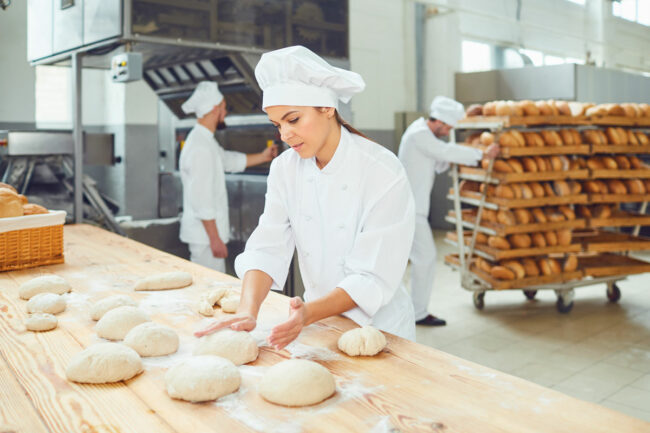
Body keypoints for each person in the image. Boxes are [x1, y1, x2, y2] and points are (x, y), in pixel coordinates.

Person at [195, 46, 416, 348]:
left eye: (293, 120)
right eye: (277, 124)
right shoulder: (285, 169)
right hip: (319, 324)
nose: (284, 135)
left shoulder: (382, 170)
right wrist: (248, 311)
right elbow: (267, 246)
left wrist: (309, 313)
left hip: (381, 329)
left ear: (327, 108)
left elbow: (372, 275)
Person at [398, 96, 499, 326]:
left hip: (412, 207)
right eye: (449, 127)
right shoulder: (419, 134)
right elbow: (445, 152)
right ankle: (417, 313)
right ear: (441, 122)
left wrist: (457, 157)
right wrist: (482, 154)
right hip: (409, 208)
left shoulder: (421, 133)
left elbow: (439, 159)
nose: (448, 131)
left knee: (418, 258)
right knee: (425, 257)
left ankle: (412, 311)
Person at [179, 81, 277, 273]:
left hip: (204, 236)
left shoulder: (204, 141)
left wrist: (263, 156)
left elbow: (227, 160)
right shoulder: (200, 147)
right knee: (210, 287)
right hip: (205, 239)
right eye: (224, 108)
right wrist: (215, 239)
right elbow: (201, 198)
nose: (225, 113)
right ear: (215, 109)